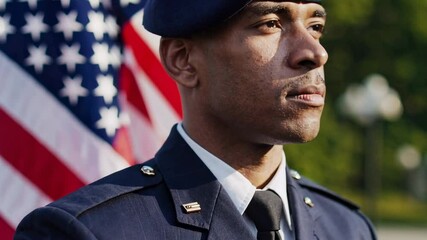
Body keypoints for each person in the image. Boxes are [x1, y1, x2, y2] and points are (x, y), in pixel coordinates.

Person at [15, 0, 377, 239]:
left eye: (315, 26)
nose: (315, 53)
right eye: (270, 23)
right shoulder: (88, 231)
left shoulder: (348, 228)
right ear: (183, 60)